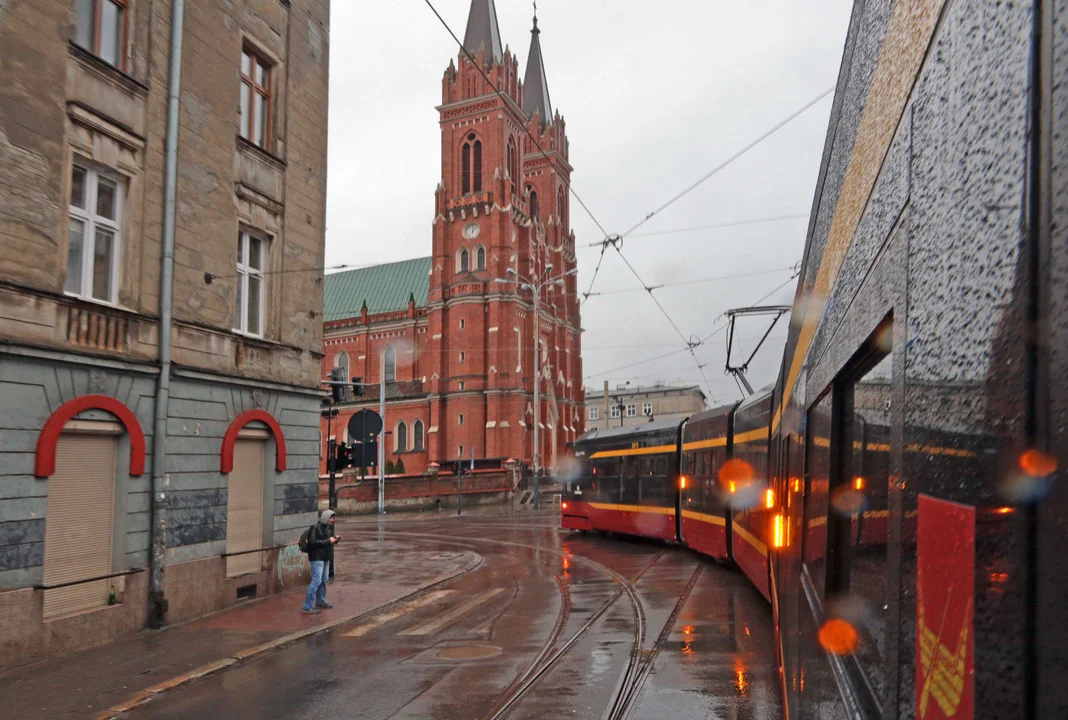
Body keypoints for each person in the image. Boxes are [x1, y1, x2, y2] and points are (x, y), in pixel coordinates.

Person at [302, 510, 339, 614]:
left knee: (323, 580)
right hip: (317, 558)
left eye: (333, 518)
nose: (333, 520)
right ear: (326, 518)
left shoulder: (328, 528)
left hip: (325, 557)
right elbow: (312, 542)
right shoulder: (315, 528)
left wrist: (335, 540)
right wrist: (328, 541)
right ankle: (307, 605)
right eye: (331, 518)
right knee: (316, 581)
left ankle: (320, 601)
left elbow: (327, 541)